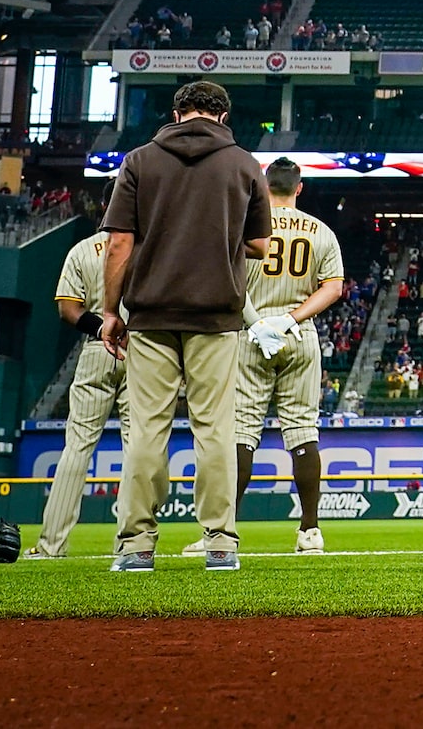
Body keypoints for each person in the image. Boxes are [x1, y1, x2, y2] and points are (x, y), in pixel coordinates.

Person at [100, 79, 271, 573]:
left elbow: (117, 246)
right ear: (222, 114)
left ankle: (136, 547)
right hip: (217, 316)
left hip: (151, 314)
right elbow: (261, 245)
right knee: (215, 428)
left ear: (177, 113)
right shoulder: (243, 162)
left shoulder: (139, 160)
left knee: (146, 430)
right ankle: (220, 543)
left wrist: (112, 312)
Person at [224, 158, 345, 554]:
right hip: (299, 334)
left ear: (262, 185)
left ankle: (224, 531)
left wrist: (258, 323)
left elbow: (228, 279)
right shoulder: (322, 231)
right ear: (300, 187)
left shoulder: (246, 225)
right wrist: (289, 320)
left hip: (249, 334)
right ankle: (309, 530)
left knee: (242, 432)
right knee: (303, 432)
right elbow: (333, 288)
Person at [32, 224, 123, 560]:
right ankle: (132, 544)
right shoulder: (153, 242)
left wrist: (101, 327)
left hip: (99, 345)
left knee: (77, 446)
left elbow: (68, 309)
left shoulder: (83, 250)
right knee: (143, 445)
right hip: (144, 348)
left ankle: (51, 544)